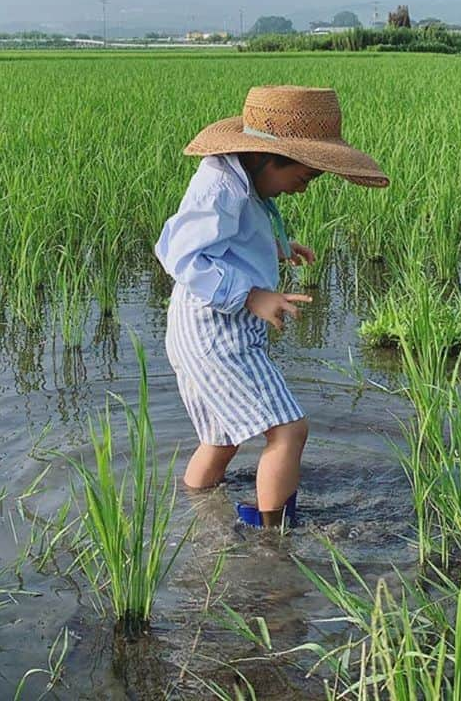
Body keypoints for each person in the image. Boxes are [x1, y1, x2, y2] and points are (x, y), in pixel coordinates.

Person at [155, 85, 388, 528]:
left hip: (201, 329)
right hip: (216, 331)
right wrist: (252, 294)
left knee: (219, 439)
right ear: (266, 157)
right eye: (302, 178)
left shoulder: (245, 179)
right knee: (288, 431)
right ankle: (273, 542)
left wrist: (278, 247)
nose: (301, 190)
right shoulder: (222, 187)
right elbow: (180, 255)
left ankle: (197, 517)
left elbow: (230, 240)